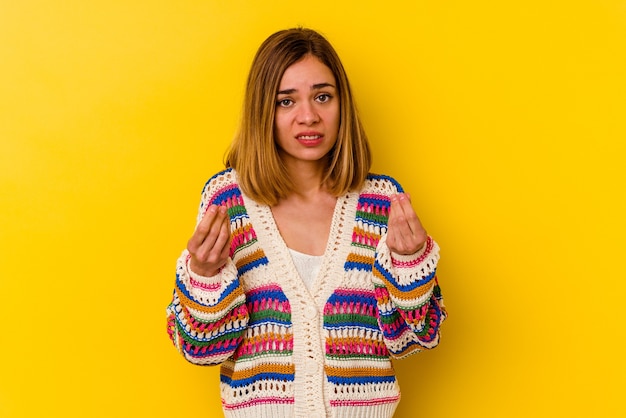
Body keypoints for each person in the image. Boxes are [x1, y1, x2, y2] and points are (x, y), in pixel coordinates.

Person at [166, 27, 446, 418]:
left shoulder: (381, 203)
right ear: (263, 109)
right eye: (286, 101)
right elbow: (202, 347)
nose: (309, 116)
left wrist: (411, 263)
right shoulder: (228, 201)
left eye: (322, 96)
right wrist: (204, 275)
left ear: (341, 105)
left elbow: (415, 339)